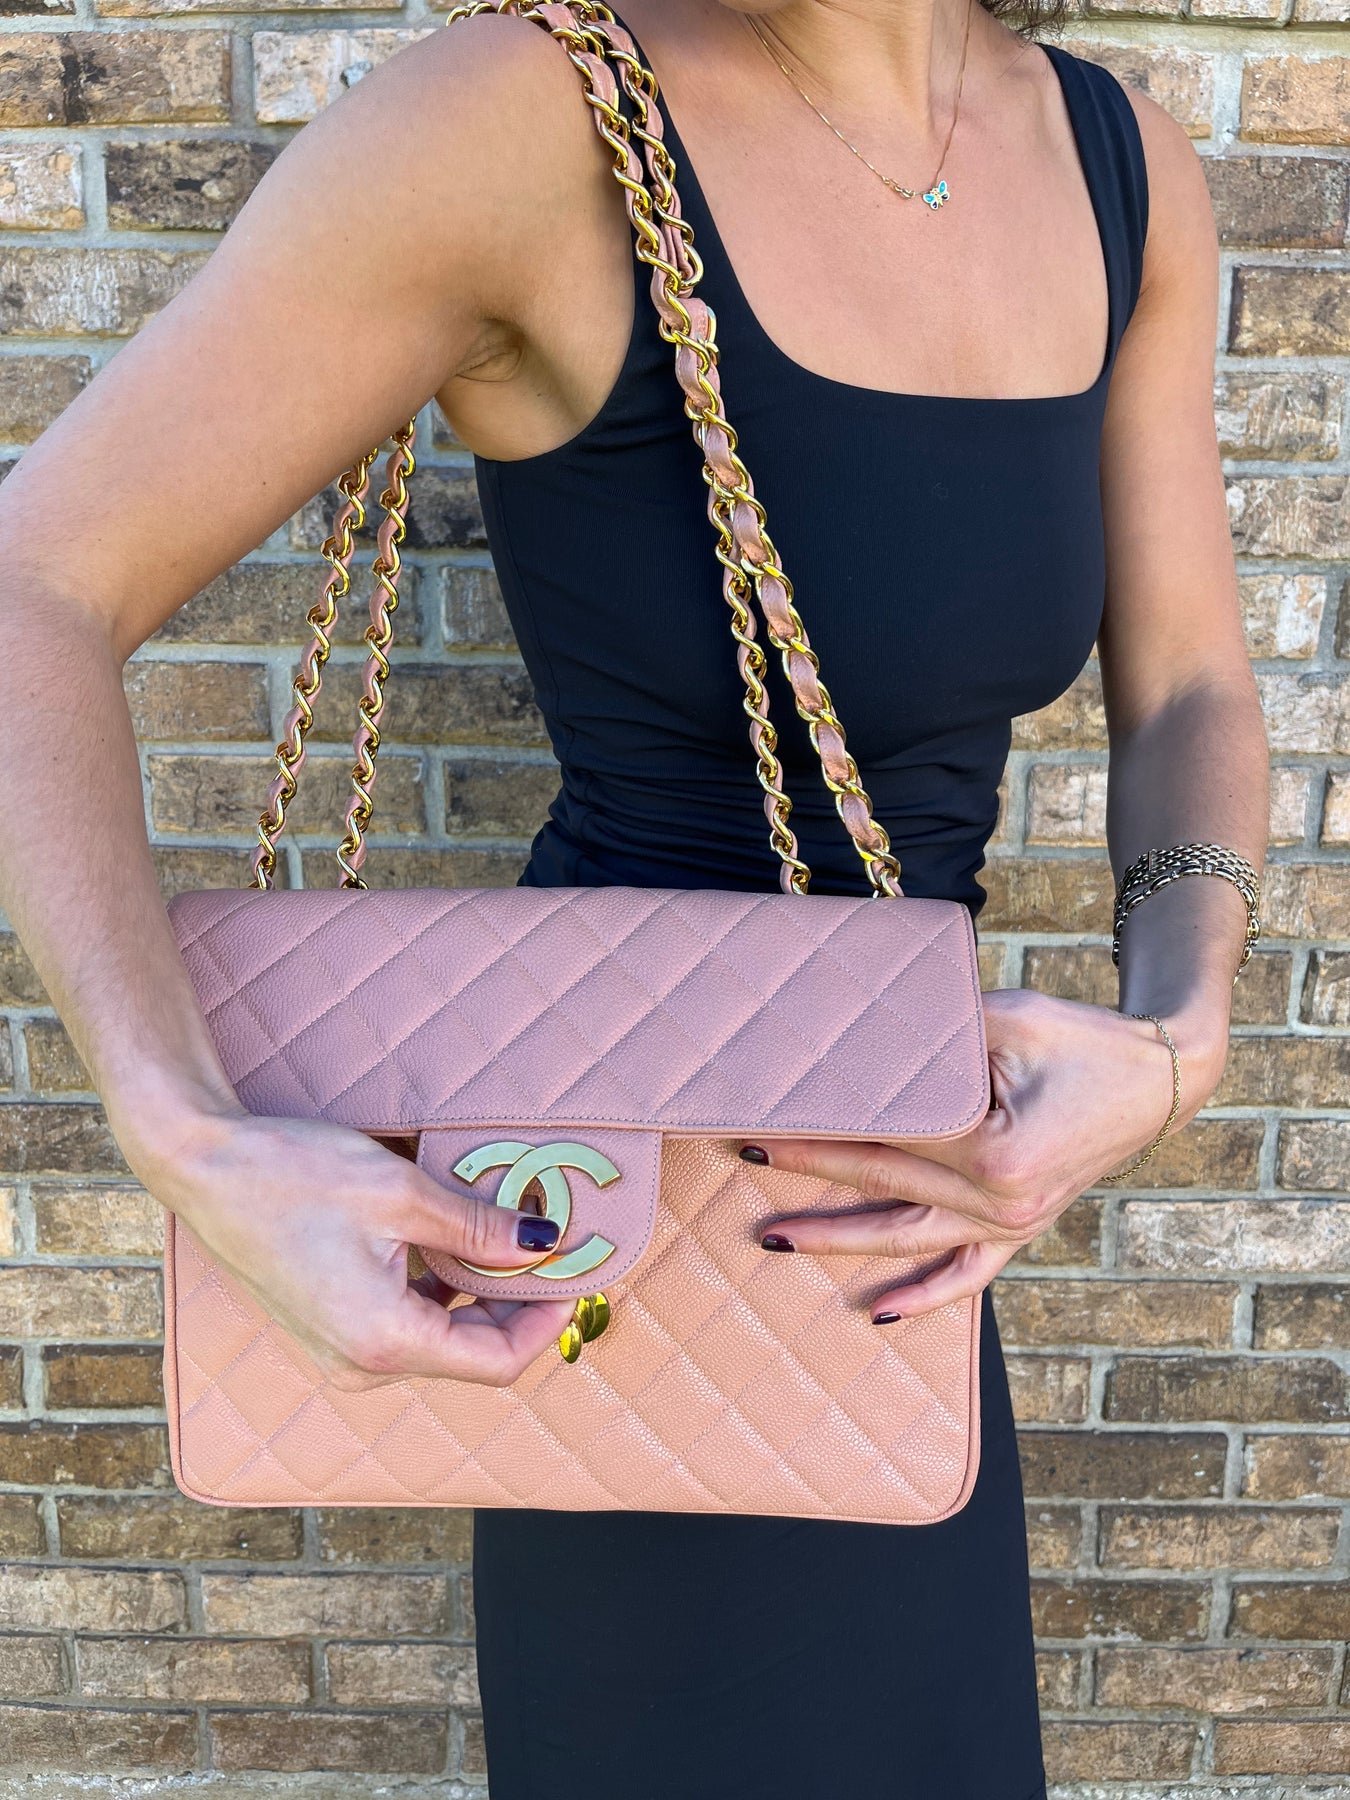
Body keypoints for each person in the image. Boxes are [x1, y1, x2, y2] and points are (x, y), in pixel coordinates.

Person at [0, 1, 1269, 1795]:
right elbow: (33, 589)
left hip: (895, 1230)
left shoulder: (1115, 159)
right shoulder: (524, 115)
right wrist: (181, 1134)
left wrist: (1180, 1036)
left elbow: (1192, 683)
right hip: (601, 1217)